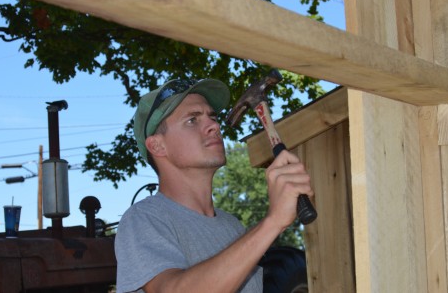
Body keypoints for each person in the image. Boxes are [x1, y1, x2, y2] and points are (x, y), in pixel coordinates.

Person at [115, 78, 313, 293]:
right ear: (157, 145)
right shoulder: (144, 219)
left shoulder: (233, 227)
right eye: (192, 120)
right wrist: (273, 222)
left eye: (213, 117)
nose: (215, 126)